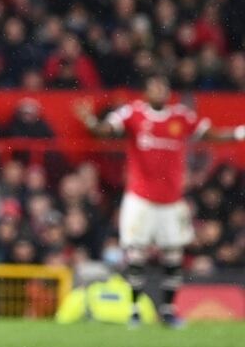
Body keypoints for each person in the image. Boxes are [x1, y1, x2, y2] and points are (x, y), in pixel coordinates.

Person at [75, 74, 245, 326]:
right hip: (140, 198)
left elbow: (210, 134)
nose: (160, 91)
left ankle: (167, 310)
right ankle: (134, 310)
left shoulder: (180, 117)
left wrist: (240, 132)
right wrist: (91, 121)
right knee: (136, 253)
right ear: (145, 92)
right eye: (154, 87)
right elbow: (105, 131)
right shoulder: (133, 113)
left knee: (173, 254)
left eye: (163, 87)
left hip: (171, 200)